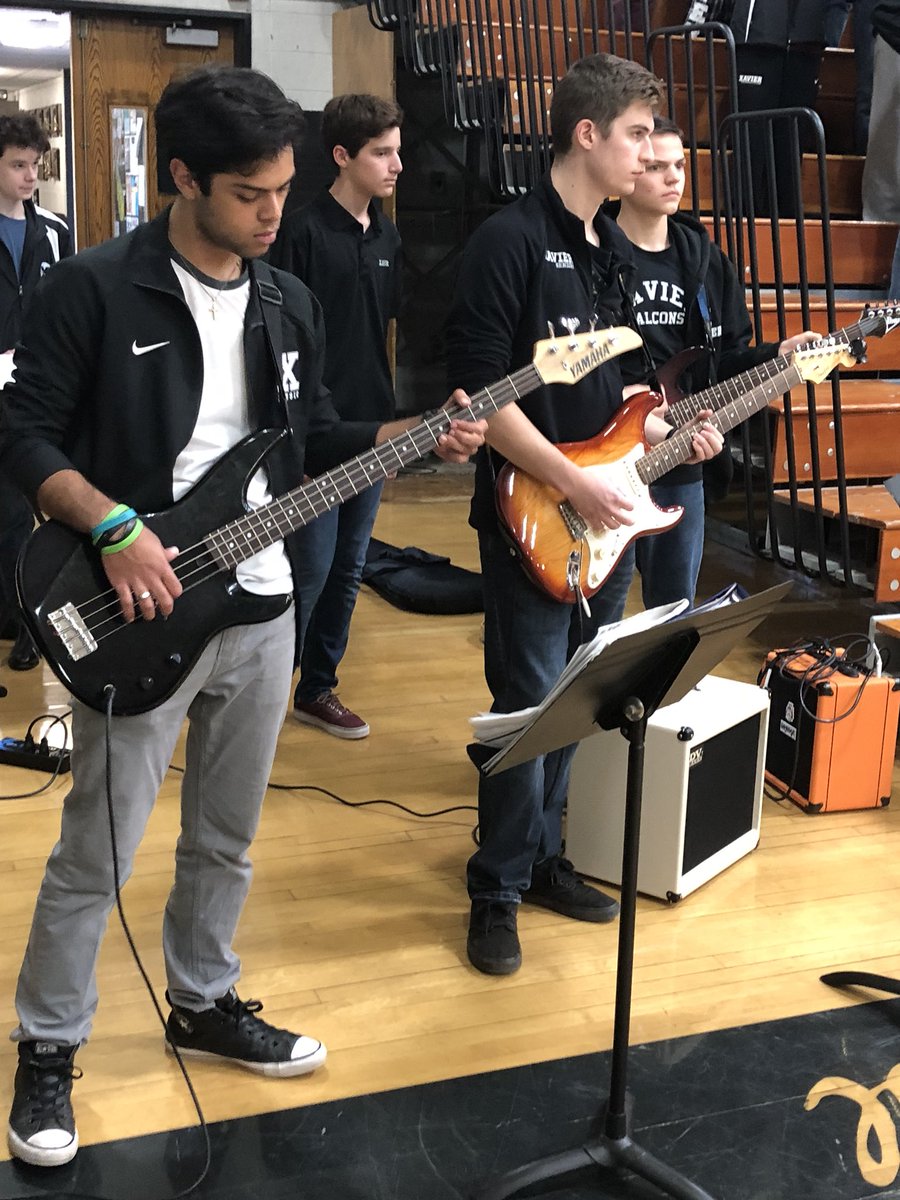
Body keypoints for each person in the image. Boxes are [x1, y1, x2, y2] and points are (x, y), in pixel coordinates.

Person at [0, 65, 485, 1169]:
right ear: (181, 177)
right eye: (250, 193)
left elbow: (303, 440)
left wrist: (409, 436)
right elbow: (22, 437)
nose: (276, 212)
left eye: (284, 188)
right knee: (99, 848)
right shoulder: (91, 288)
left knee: (227, 837)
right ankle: (50, 1045)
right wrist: (115, 528)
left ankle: (203, 999)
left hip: (264, 604)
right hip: (136, 601)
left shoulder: (286, 299)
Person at [444, 54, 724, 977]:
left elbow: (618, 391)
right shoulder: (510, 240)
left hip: (607, 510)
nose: (652, 154)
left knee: (580, 700)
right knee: (527, 706)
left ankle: (542, 860)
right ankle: (494, 890)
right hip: (536, 511)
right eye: (640, 133)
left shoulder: (605, 247)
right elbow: (487, 391)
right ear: (588, 135)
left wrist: (674, 430)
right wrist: (570, 480)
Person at [608, 115, 818, 608]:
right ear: (629, 169)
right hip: (607, 457)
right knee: (601, 617)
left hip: (683, 460)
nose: (674, 178)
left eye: (679, 165)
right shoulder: (599, 253)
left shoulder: (704, 261)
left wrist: (776, 356)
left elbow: (724, 360)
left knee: (672, 611)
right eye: (657, 166)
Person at [269, 94, 403, 740]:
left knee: (350, 565)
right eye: (382, 152)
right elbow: (277, 343)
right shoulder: (299, 231)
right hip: (314, 437)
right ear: (343, 156)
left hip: (371, 430)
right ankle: (266, 686)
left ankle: (317, 688)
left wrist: (391, 428)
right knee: (310, 568)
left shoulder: (387, 235)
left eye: (399, 150)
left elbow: (382, 334)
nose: (396, 165)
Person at [0, 112, 71, 671]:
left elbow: (70, 306)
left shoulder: (53, 228)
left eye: (34, 165)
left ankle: (33, 621)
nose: (30, 176)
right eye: (18, 165)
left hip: (39, 387)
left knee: (39, 506)